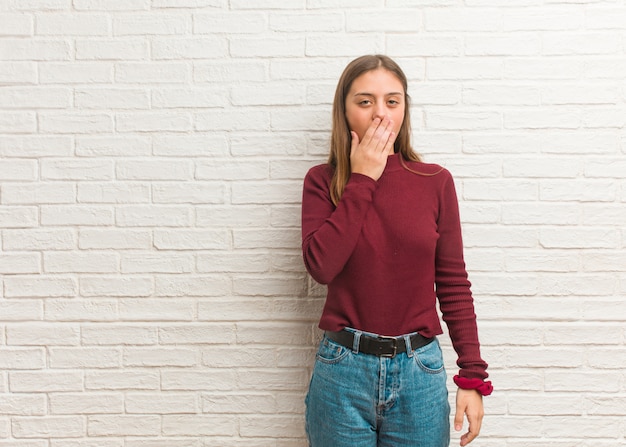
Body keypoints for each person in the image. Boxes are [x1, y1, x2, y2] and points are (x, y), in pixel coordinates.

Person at [301, 54, 492, 447]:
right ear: (344, 110)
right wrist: (362, 179)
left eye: (392, 101)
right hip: (342, 371)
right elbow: (321, 266)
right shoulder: (322, 181)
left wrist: (472, 376)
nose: (380, 114)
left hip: (418, 371)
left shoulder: (434, 182)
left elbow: (454, 284)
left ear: (405, 109)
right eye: (365, 101)